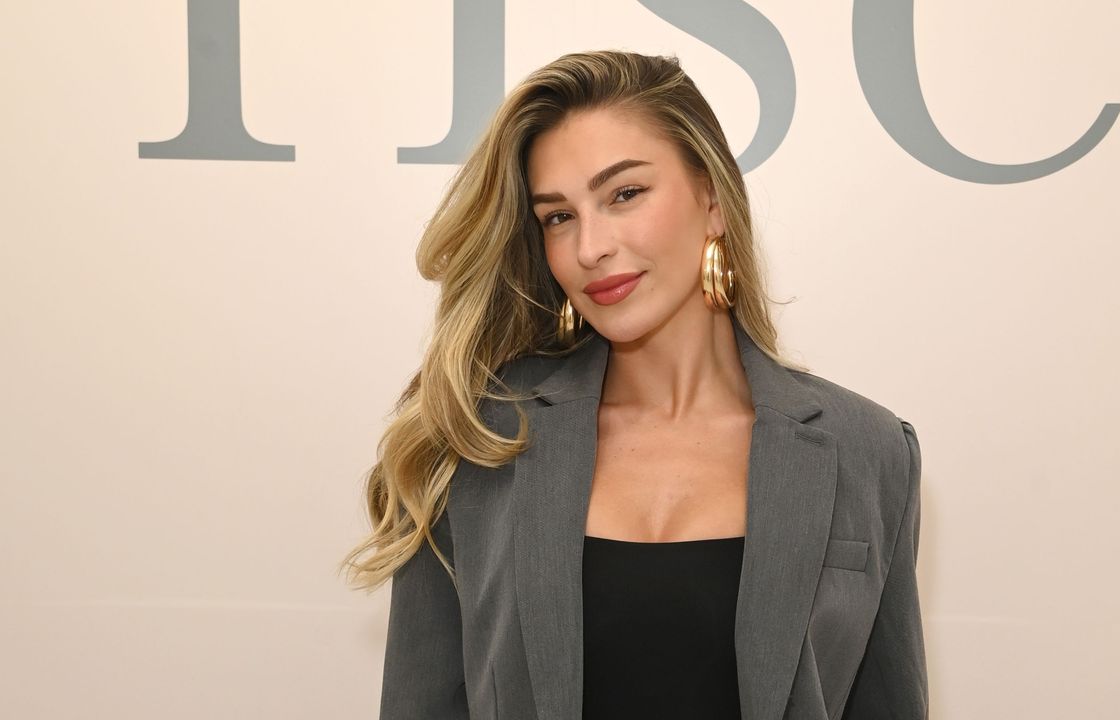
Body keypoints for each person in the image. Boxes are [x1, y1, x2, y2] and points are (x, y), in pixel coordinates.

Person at [341, 49, 927, 720]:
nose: (590, 247)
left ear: (712, 199)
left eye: (624, 194)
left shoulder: (869, 451)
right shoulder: (480, 438)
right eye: (558, 216)